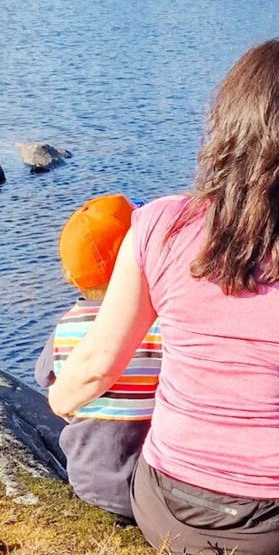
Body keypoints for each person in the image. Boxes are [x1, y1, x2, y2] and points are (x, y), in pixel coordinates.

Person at [46, 39, 279, 555]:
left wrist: (54, 397)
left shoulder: (156, 227)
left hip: (172, 519)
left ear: (225, 129)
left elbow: (98, 363)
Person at [35, 194, 162, 520]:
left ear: (70, 276)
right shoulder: (162, 324)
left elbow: (46, 378)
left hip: (89, 481)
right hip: (155, 485)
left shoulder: (65, 328)